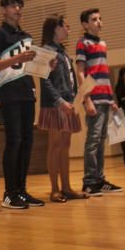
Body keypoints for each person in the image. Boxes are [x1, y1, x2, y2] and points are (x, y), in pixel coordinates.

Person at [0, 0, 43, 209]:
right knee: (14, 141)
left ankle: (21, 189)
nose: (17, 9)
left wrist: (45, 65)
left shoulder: (26, 36)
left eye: (19, 5)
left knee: (27, 142)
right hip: (9, 93)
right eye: (12, 6)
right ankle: (10, 193)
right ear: (3, 10)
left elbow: (32, 66)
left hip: (27, 92)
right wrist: (16, 58)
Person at [37, 14, 88, 203]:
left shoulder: (64, 53)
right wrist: (60, 101)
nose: (68, 29)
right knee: (55, 145)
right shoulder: (46, 50)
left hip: (69, 103)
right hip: (54, 105)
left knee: (65, 146)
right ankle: (55, 190)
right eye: (65, 26)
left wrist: (75, 100)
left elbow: (71, 80)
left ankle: (66, 187)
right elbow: (45, 81)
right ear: (55, 29)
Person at [75, 8, 122, 197]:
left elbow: (104, 73)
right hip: (93, 98)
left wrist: (111, 99)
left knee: (102, 140)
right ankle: (89, 182)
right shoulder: (82, 43)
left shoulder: (102, 43)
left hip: (105, 98)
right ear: (85, 24)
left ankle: (100, 180)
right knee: (93, 140)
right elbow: (80, 72)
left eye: (100, 18)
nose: (99, 22)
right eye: (94, 19)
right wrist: (86, 99)